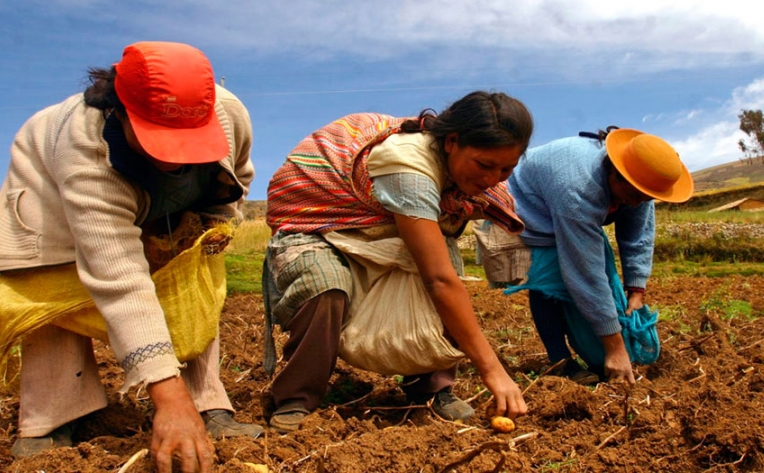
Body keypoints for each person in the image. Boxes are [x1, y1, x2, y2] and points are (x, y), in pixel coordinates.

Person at [0, 41, 262, 469]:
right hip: (50, 203)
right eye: (160, 142)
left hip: (166, 205)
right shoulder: (85, 152)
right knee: (55, 292)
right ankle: (50, 420)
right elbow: (119, 279)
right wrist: (165, 394)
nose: (171, 160)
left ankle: (207, 402)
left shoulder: (228, 113)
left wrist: (214, 223)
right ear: (120, 112)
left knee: (194, 275)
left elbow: (239, 173)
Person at [262, 91, 534, 434]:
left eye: (506, 168)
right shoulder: (408, 168)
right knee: (323, 285)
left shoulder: (467, 177)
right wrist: (492, 370)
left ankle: (432, 387)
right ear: (451, 142)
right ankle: (296, 397)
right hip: (321, 225)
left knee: (443, 260)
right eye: (484, 165)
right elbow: (439, 281)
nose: (493, 178)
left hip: (383, 225)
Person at [504, 127, 694, 385]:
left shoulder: (640, 181)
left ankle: (593, 347)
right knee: (548, 281)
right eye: (633, 196)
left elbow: (638, 234)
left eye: (644, 198)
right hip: (527, 207)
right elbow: (586, 272)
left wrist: (636, 290)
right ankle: (560, 361)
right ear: (614, 173)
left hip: (568, 208)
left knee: (601, 291)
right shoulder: (577, 188)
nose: (637, 203)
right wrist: (615, 349)